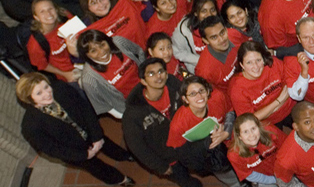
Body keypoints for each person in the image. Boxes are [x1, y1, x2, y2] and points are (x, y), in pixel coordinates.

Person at [17, 73, 134, 186]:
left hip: (89, 131)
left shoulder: (60, 88)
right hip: (74, 151)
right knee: (96, 167)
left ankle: (123, 155)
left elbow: (85, 108)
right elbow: (52, 149)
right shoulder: (30, 126)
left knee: (106, 144)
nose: (47, 93)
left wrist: (97, 136)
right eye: (39, 93)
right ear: (29, 99)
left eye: (46, 86)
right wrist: (83, 155)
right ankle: (119, 180)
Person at [122, 58, 201, 187]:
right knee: (189, 182)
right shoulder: (133, 114)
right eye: (151, 74)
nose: (158, 76)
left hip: (188, 143)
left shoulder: (173, 84)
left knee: (202, 166)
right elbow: (137, 147)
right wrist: (160, 166)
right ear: (143, 81)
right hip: (169, 157)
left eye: (161, 71)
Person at [230, 41, 293, 126]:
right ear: (242, 65)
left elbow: (291, 84)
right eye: (249, 62)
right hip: (267, 122)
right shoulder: (237, 89)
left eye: (258, 60)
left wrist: (267, 111)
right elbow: (249, 119)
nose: (255, 66)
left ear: (263, 59)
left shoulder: (273, 64)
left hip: (290, 107)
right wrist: (279, 101)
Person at [227, 113, 283, 187]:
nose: (251, 135)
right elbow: (250, 175)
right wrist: (275, 180)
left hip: (284, 169)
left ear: (259, 127)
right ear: (239, 136)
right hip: (265, 178)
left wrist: (285, 174)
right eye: (245, 132)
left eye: (253, 129)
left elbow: (287, 150)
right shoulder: (234, 154)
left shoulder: (271, 131)